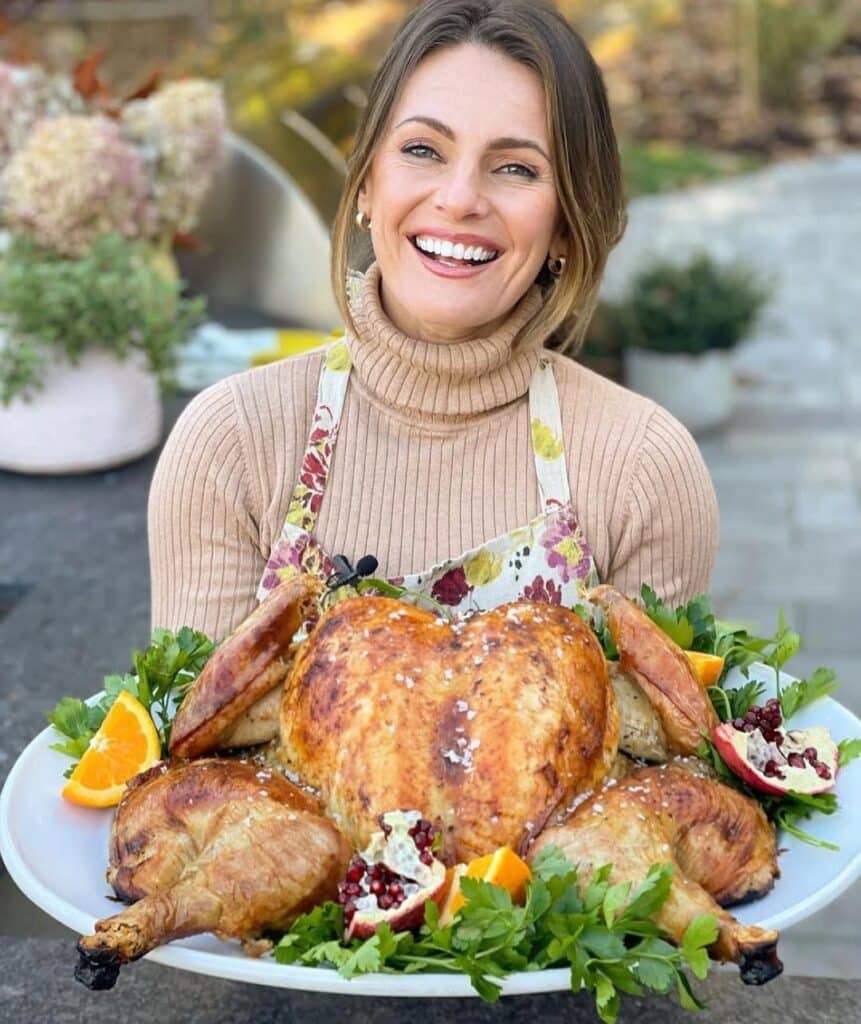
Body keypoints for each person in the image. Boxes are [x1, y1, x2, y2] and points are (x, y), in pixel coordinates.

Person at [148, 0, 718, 642]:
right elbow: (188, 737)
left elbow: (661, 741)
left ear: (565, 222)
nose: (459, 199)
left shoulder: (643, 471)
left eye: (516, 168)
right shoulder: (230, 445)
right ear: (366, 184)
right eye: (423, 149)